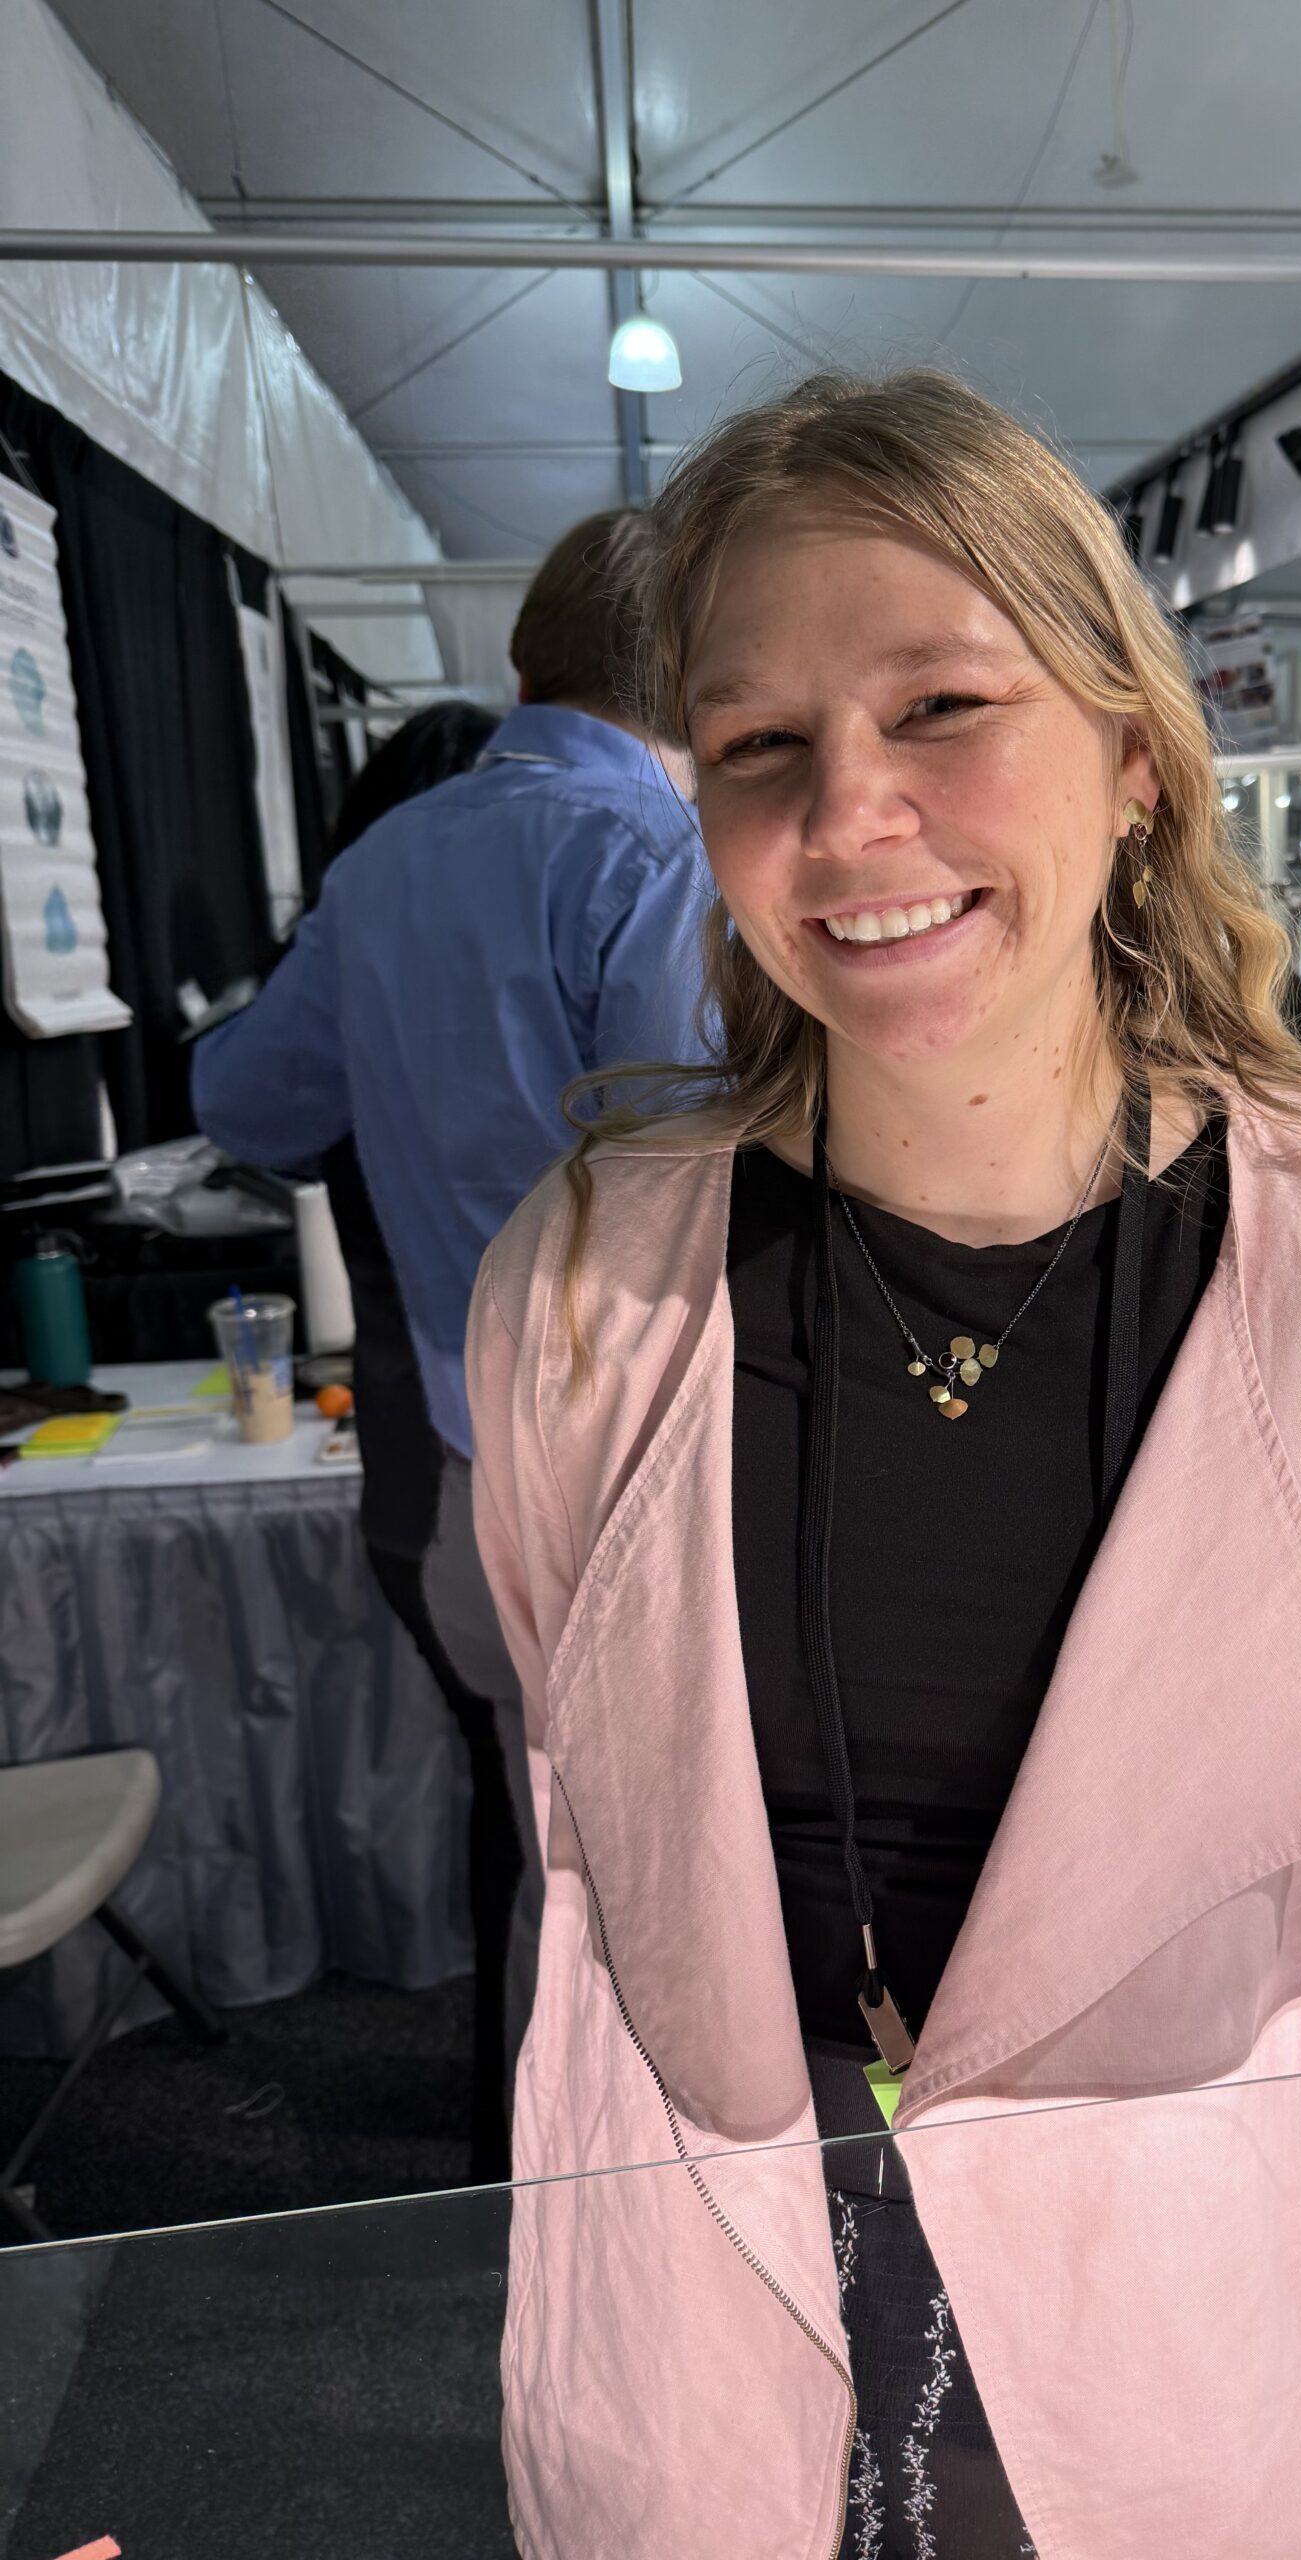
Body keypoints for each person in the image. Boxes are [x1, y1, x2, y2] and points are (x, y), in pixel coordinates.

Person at [467, 372, 1301, 2558]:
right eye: (757, 745)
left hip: (1187, 2285)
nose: (849, 813)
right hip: (730, 2272)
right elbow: (596, 1821)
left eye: (942, 706)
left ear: (1134, 755)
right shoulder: (592, 1283)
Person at [191, 509, 709, 2090]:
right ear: (701, 683)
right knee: (692, 1892)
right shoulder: (664, 859)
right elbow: (694, 1179)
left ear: (520, 668)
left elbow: (248, 1105)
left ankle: (561, 2195)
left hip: (473, 1480)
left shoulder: (383, 865)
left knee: (560, 1869)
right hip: (651, 1480)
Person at [303, 701, 519, 2178]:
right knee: (543, 1817)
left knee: (512, 1803)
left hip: (415, 1469)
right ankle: (523, 2130)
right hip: (476, 1472)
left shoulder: (354, 1006)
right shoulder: (493, 1046)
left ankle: (507, 2118)